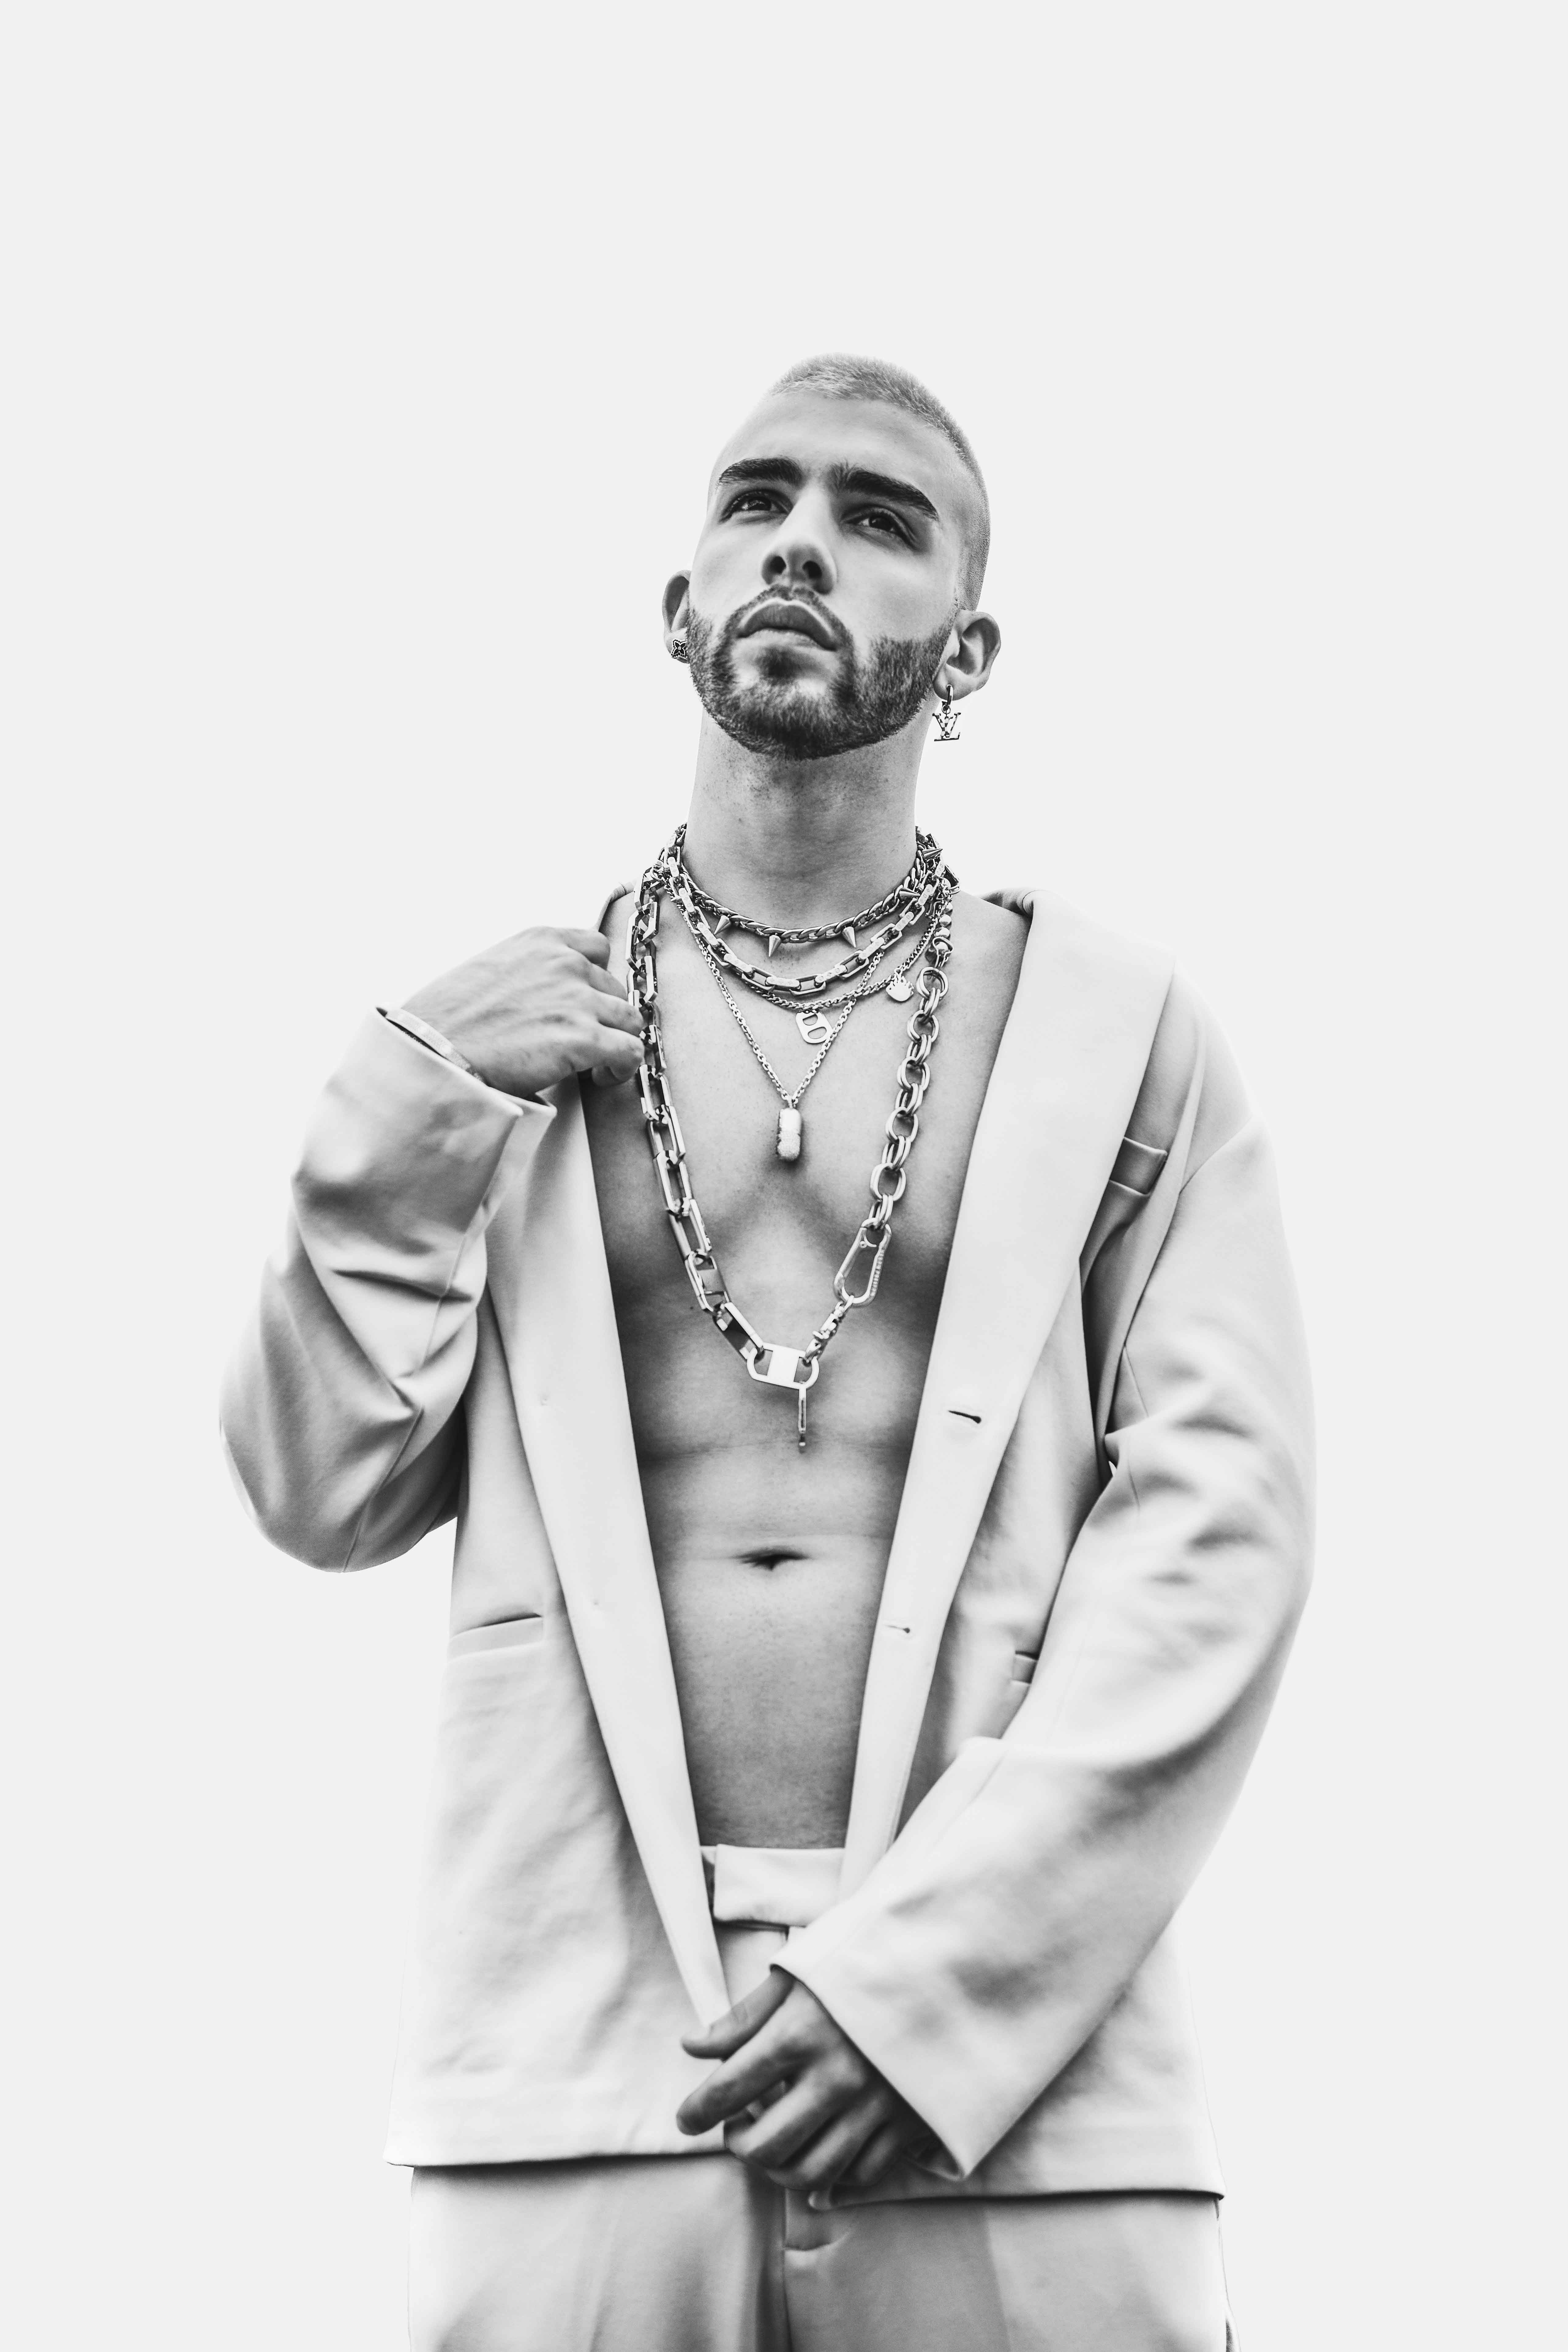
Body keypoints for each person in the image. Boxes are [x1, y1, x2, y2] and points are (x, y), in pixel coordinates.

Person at [221, 354, 1313, 2350]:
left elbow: (1219, 1537)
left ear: (964, 650)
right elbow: (317, 1488)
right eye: (758, 500)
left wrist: (937, 1987)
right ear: (681, 608)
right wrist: (397, 1112)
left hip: (1025, 2087)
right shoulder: (505, 1045)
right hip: (578, 2064)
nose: (802, 540)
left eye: (878, 518)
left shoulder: (1117, 1037)